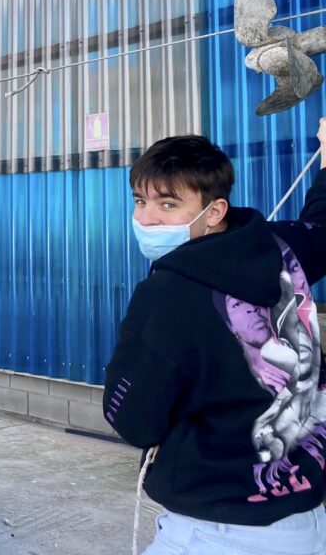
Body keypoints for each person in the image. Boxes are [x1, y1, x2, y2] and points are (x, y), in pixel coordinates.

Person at [104, 122, 326, 555]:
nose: (146, 218)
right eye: (140, 201)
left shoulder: (166, 292)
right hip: (308, 521)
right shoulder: (283, 248)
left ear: (215, 211)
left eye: (168, 204)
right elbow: (322, 224)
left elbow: (134, 421)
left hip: (216, 530)